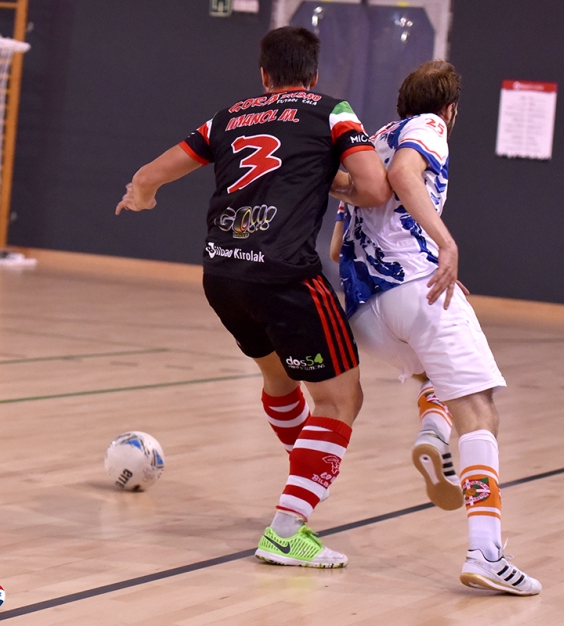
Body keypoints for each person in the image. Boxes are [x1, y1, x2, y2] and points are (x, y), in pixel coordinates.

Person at [116, 27, 390, 568]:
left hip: (223, 274)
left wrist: (141, 198)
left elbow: (148, 176)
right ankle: (286, 529)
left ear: (264, 76)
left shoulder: (227, 117)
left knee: (279, 380)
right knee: (341, 400)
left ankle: (304, 475)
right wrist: (328, 178)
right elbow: (376, 188)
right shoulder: (331, 111)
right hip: (286, 278)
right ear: (313, 75)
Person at [329, 60, 541, 595]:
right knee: (479, 410)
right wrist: (444, 245)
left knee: (433, 372)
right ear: (450, 109)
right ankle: (486, 552)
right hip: (417, 291)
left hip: (364, 312)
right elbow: (406, 175)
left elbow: (335, 246)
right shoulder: (428, 127)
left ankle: (432, 433)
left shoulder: (371, 142)